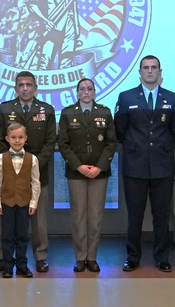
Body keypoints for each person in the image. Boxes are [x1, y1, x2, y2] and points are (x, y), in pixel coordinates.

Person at [114, 55, 175, 272]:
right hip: (135, 165)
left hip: (162, 165)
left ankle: (162, 257)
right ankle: (133, 257)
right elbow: (120, 131)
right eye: (146, 68)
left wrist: (160, 146)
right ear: (140, 72)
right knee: (135, 215)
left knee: (161, 215)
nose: (150, 71)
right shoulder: (125, 97)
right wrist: (137, 146)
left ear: (160, 71)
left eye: (154, 68)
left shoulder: (172, 98)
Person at [0, 71, 56, 273]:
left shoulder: (46, 110)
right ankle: (5, 258)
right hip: (10, 175)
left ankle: (41, 257)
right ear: (15, 88)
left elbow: (49, 142)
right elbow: (0, 140)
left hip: (38, 172)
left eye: (29, 84)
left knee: (38, 218)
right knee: (7, 219)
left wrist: (33, 166)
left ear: (36, 88)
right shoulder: (5, 109)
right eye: (21, 85)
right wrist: (13, 166)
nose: (25, 88)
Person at [59, 78, 117, 273]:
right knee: (78, 216)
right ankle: (80, 257)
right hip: (76, 173)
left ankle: (92, 257)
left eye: (89, 89)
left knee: (95, 216)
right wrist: (79, 166)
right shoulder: (68, 113)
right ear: (77, 92)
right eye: (82, 89)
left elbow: (111, 144)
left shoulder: (104, 112)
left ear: (94, 92)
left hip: (99, 173)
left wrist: (99, 167)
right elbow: (64, 145)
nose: (86, 92)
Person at [0, 123, 41, 278]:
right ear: (7, 139)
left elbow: (36, 182)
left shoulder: (32, 159)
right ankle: (7, 265)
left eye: (20, 137)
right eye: (13, 137)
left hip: (24, 202)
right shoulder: (1, 158)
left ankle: (22, 265)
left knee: (22, 235)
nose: (17, 141)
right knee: (7, 235)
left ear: (26, 139)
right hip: (7, 203)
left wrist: (33, 202)